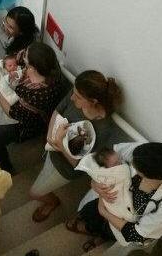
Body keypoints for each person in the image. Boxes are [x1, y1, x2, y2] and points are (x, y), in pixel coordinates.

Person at [29, 70, 126, 222]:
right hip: (53, 148)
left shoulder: (104, 129)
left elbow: (80, 165)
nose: (72, 97)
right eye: (73, 92)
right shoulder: (78, 91)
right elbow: (57, 110)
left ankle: (52, 202)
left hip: (65, 168)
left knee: (35, 193)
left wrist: (60, 143)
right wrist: (50, 137)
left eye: (78, 97)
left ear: (93, 101)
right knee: (43, 173)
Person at [68, 142, 162, 254]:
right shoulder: (142, 154)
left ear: (148, 176)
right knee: (90, 215)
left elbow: (137, 235)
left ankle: (102, 237)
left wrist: (104, 212)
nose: (128, 163)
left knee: (109, 231)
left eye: (135, 167)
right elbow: (102, 162)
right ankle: (94, 230)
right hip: (109, 202)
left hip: (124, 223)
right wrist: (95, 185)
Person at [0, 42, 63, 173]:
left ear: (32, 67)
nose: (21, 57)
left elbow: (12, 112)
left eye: (25, 58)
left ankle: (6, 169)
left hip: (27, 123)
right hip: (20, 102)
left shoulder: (40, 94)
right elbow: (17, 58)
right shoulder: (47, 66)